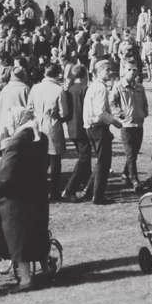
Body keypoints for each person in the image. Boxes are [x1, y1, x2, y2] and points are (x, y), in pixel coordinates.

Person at [0, 107, 50, 292]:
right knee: (35, 233)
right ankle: (45, 266)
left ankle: (25, 279)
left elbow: (6, 173)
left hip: (15, 199)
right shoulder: (40, 137)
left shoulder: (17, 141)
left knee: (17, 239)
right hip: (36, 194)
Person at [82, 60, 121, 204]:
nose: (110, 72)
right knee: (104, 163)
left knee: (101, 161)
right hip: (98, 127)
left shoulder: (95, 86)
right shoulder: (100, 88)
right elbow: (100, 113)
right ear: (98, 72)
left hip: (91, 127)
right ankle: (98, 196)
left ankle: (90, 191)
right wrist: (116, 122)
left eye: (110, 69)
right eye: (107, 70)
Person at [28, 63, 69, 202]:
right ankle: (54, 191)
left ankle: (37, 189)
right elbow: (64, 112)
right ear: (57, 74)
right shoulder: (59, 90)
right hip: (52, 125)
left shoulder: (35, 88)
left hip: (38, 125)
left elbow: (29, 108)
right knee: (55, 161)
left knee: (40, 161)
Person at [110, 63, 149, 193]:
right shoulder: (119, 86)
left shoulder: (140, 87)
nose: (132, 72)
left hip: (139, 123)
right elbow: (112, 102)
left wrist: (144, 112)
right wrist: (120, 113)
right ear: (124, 71)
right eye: (130, 70)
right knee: (131, 154)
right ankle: (134, 180)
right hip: (126, 125)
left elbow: (144, 102)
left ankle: (125, 173)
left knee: (134, 153)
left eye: (135, 70)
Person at [62, 65, 91, 200]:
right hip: (82, 127)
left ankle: (86, 183)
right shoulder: (85, 89)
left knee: (84, 156)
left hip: (72, 127)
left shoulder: (69, 90)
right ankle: (70, 188)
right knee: (84, 158)